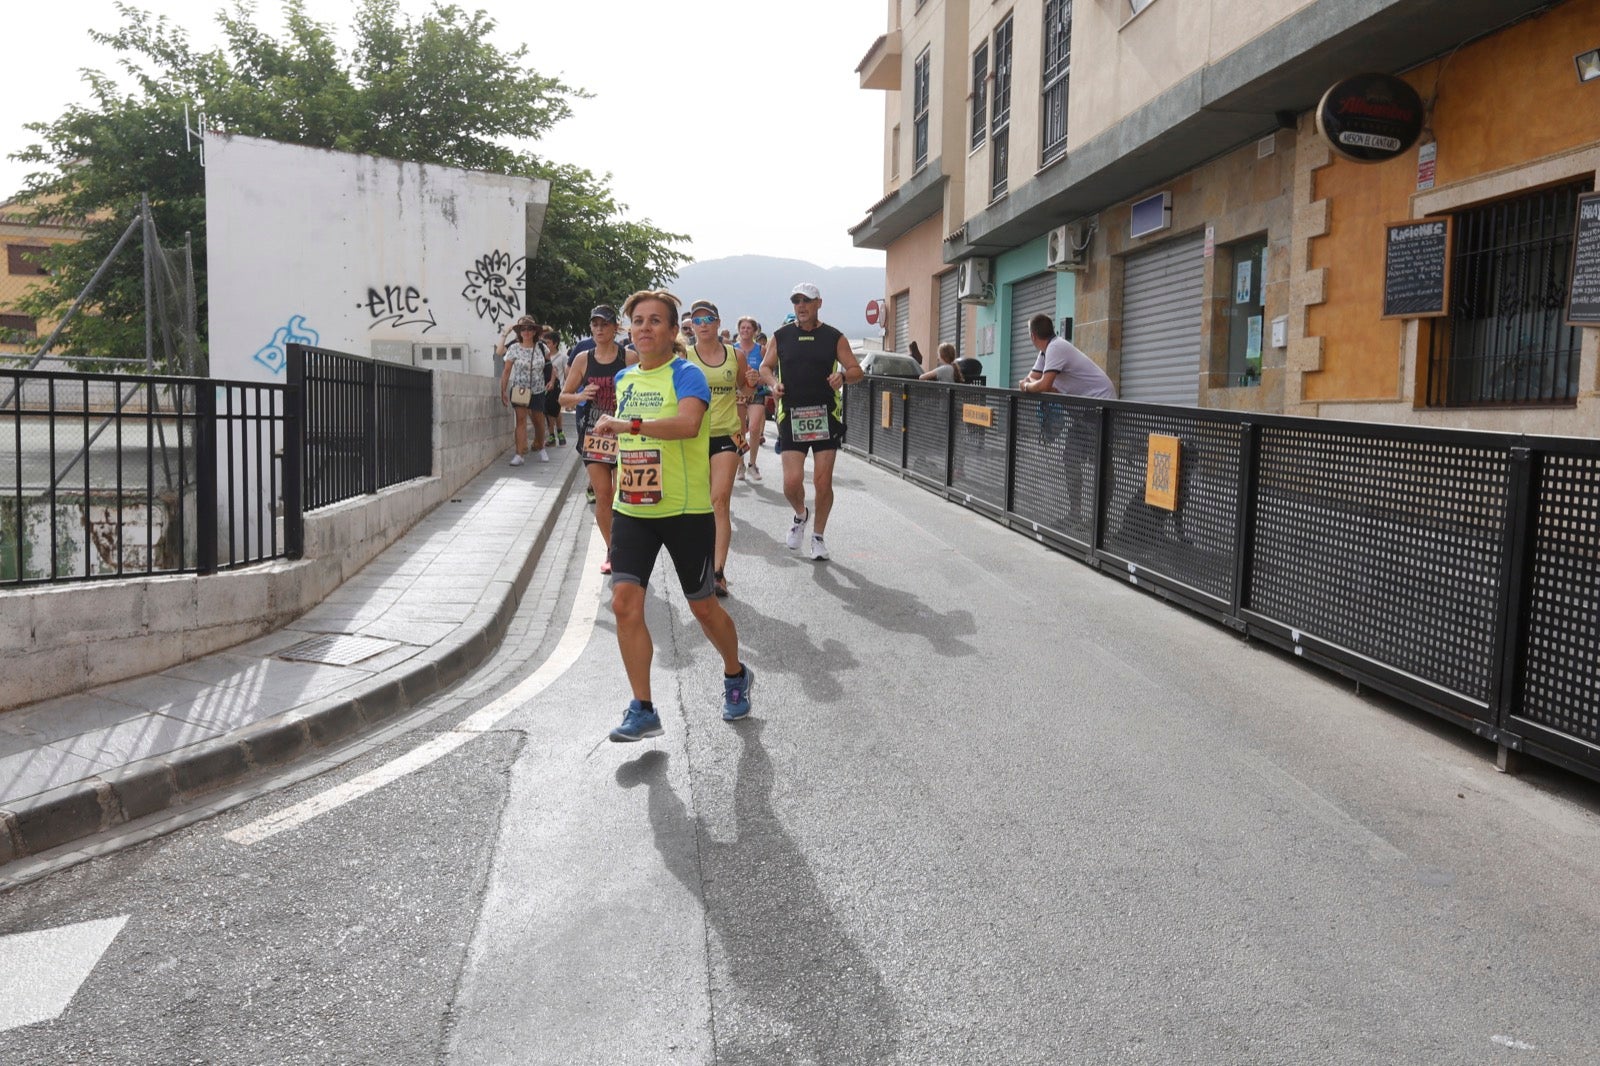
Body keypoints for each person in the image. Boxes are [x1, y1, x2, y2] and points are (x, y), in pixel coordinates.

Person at [588, 289, 754, 741]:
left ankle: (735, 673)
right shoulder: (624, 380)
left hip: (684, 510)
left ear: (670, 329)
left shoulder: (688, 375)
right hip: (633, 510)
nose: (644, 328)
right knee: (624, 603)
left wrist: (630, 426)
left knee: (702, 608)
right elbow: (623, 438)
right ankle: (642, 708)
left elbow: (688, 426)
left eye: (655, 321)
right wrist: (609, 450)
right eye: (637, 321)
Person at [759, 282, 863, 561]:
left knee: (822, 481)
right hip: (792, 414)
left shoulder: (834, 337)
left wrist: (842, 376)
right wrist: (773, 383)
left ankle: (818, 536)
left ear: (819, 303)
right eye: (796, 301)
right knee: (791, 482)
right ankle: (800, 514)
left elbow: (856, 370)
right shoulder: (781, 336)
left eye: (807, 301)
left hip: (825, 415)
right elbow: (765, 367)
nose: (801, 306)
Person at [560, 304, 637, 572]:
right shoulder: (584, 358)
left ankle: (628, 545)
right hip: (593, 434)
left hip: (624, 434)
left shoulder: (629, 358)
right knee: (604, 495)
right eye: (595, 324)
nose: (599, 329)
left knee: (624, 495)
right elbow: (563, 397)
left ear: (615, 327)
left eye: (605, 324)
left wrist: (629, 402)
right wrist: (581, 395)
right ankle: (612, 551)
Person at [685, 299, 745, 598]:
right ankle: (700, 564)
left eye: (709, 318)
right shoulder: (683, 356)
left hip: (725, 435)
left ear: (719, 323)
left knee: (719, 501)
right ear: (691, 326)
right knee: (698, 505)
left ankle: (719, 572)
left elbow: (746, 387)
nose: (703, 324)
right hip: (692, 436)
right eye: (697, 320)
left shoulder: (736, 355)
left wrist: (751, 385)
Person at [1019, 314, 1116, 399]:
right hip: (1086, 402)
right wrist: (1042, 386)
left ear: (1032, 336)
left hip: (1100, 397)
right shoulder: (1045, 351)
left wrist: (1026, 386)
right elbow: (1032, 377)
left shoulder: (1055, 347)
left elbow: (1043, 385)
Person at [496, 315, 549, 465]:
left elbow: (549, 366)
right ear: (519, 332)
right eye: (523, 329)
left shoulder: (541, 347)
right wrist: (503, 390)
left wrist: (550, 381)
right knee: (520, 421)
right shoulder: (513, 348)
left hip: (538, 389)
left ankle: (541, 447)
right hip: (519, 389)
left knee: (539, 421)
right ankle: (519, 454)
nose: (526, 332)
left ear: (534, 332)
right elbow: (506, 371)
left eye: (529, 329)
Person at [734, 316, 766, 482]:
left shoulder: (761, 350)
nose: (745, 330)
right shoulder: (732, 349)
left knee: (753, 428)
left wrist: (758, 379)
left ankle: (753, 464)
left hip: (756, 393)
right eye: (742, 327)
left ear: (754, 331)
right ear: (739, 330)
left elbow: (769, 371)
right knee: (739, 432)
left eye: (748, 328)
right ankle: (741, 464)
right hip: (738, 395)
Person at [543, 332, 569, 447]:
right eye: (545, 342)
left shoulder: (562, 357)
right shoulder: (543, 357)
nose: (546, 345)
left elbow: (566, 372)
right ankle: (554, 434)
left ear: (555, 343)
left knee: (555, 411)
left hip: (558, 388)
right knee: (548, 412)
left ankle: (557, 433)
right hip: (545, 387)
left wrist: (567, 388)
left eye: (548, 342)